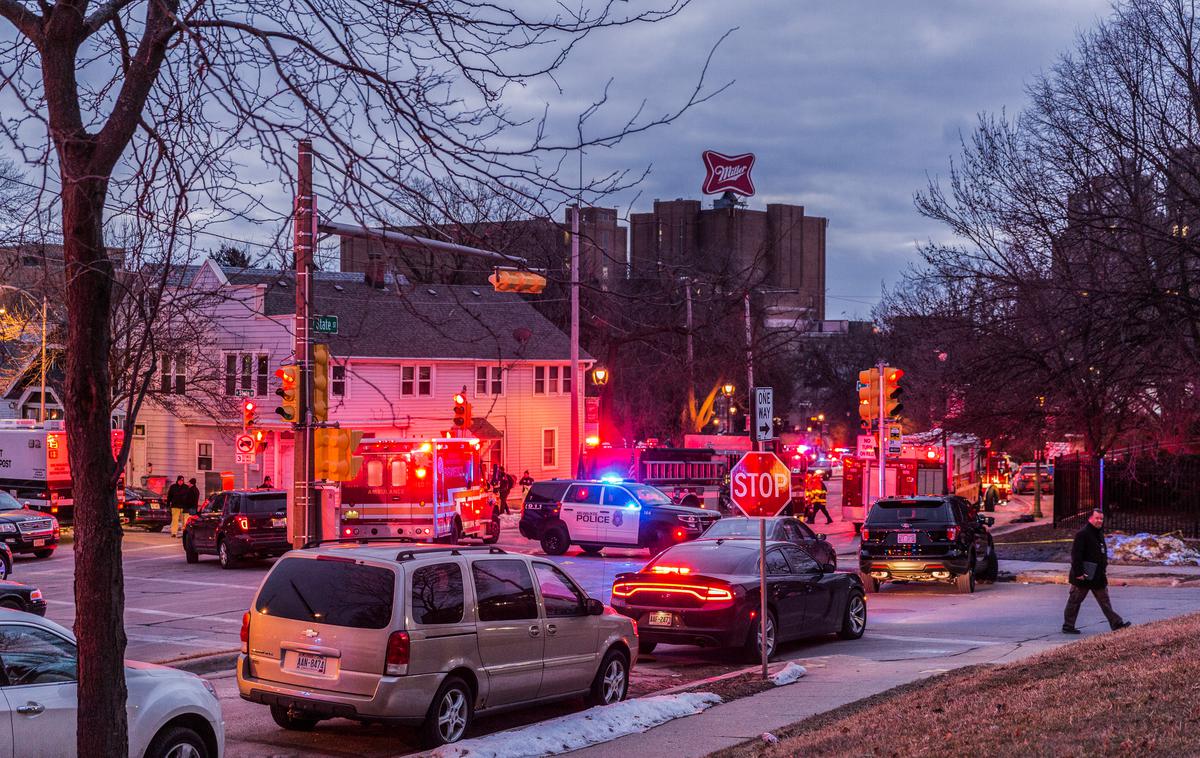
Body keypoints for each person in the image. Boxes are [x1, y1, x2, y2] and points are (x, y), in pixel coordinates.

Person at [1062, 509, 1131, 634]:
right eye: (1097, 518)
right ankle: (1068, 626)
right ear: (1090, 519)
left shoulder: (1098, 533)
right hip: (1083, 576)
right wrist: (1079, 573)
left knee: (1105, 601)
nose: (1100, 521)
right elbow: (1076, 555)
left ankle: (1116, 623)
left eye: (1101, 519)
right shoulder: (1082, 534)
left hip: (1097, 576)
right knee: (1074, 601)